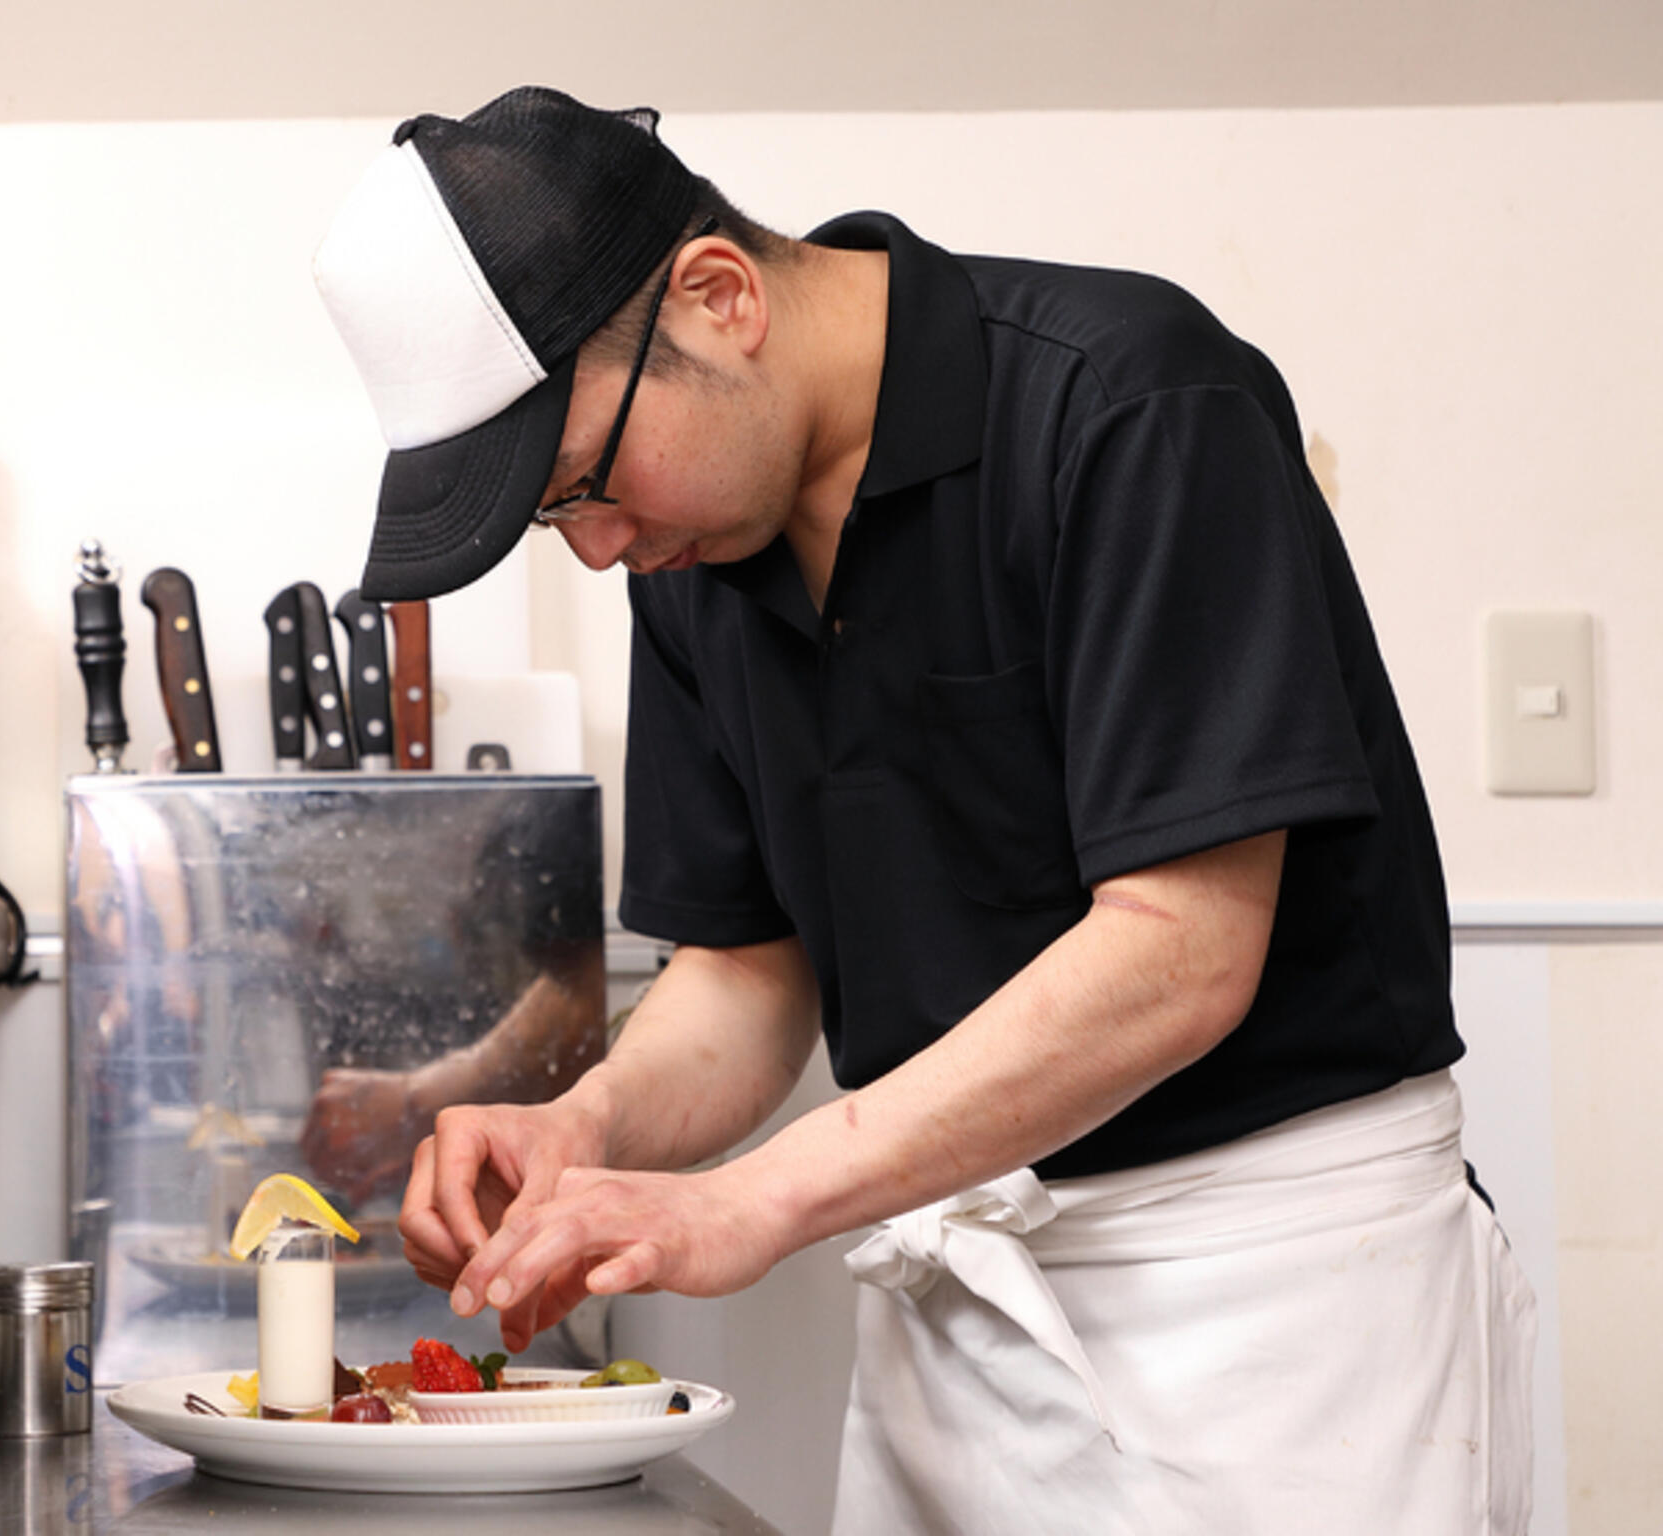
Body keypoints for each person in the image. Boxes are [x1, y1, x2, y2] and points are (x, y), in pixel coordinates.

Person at [311, 86, 1537, 1532]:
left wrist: (754, 1201)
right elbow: (749, 976)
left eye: (581, 481)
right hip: (958, 1311)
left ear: (718, 299)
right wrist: (588, 1126)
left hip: (1276, 1307)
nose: (595, 548)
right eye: (549, 519)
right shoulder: (693, 557)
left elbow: (1183, 949)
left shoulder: (1131, 401)